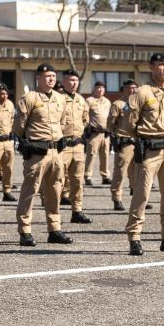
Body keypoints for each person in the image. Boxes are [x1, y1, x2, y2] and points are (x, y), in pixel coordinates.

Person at [124, 53, 164, 256]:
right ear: (151, 67)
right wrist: (143, 138)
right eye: (160, 65)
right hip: (149, 149)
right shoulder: (142, 92)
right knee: (142, 195)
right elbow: (129, 122)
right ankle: (134, 237)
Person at [14, 63, 73, 247]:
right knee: (30, 191)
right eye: (47, 76)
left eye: (53, 76)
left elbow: (62, 123)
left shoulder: (60, 98)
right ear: (38, 78)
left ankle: (54, 229)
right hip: (37, 153)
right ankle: (25, 231)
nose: (51, 79)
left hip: (56, 151)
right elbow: (19, 126)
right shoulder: (29, 98)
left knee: (55, 191)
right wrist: (29, 143)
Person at [58, 69, 92, 224]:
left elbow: (85, 120)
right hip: (62, 145)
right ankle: (54, 214)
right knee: (57, 180)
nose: (74, 83)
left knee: (77, 180)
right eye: (70, 80)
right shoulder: (58, 99)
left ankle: (76, 211)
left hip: (77, 145)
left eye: (76, 81)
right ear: (64, 82)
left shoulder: (80, 100)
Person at [108, 79, 138, 211]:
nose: (131, 90)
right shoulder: (118, 104)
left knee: (137, 173)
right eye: (128, 88)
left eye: (134, 88)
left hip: (137, 142)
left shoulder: (138, 103)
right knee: (120, 172)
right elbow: (110, 124)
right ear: (124, 89)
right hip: (124, 142)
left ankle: (137, 198)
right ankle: (117, 198)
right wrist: (115, 137)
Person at [0, 83, 17, 201]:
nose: (4, 96)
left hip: (8, 141)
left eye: (6, 93)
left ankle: (7, 191)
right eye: (1, 93)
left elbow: (12, 120)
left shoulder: (10, 104)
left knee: (8, 168)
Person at [84, 80, 112, 186]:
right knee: (91, 155)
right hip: (94, 133)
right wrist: (86, 128)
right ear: (94, 89)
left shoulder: (107, 101)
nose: (100, 90)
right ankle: (88, 176)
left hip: (105, 133)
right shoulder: (89, 100)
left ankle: (105, 176)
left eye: (102, 88)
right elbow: (85, 115)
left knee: (105, 156)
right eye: (98, 88)